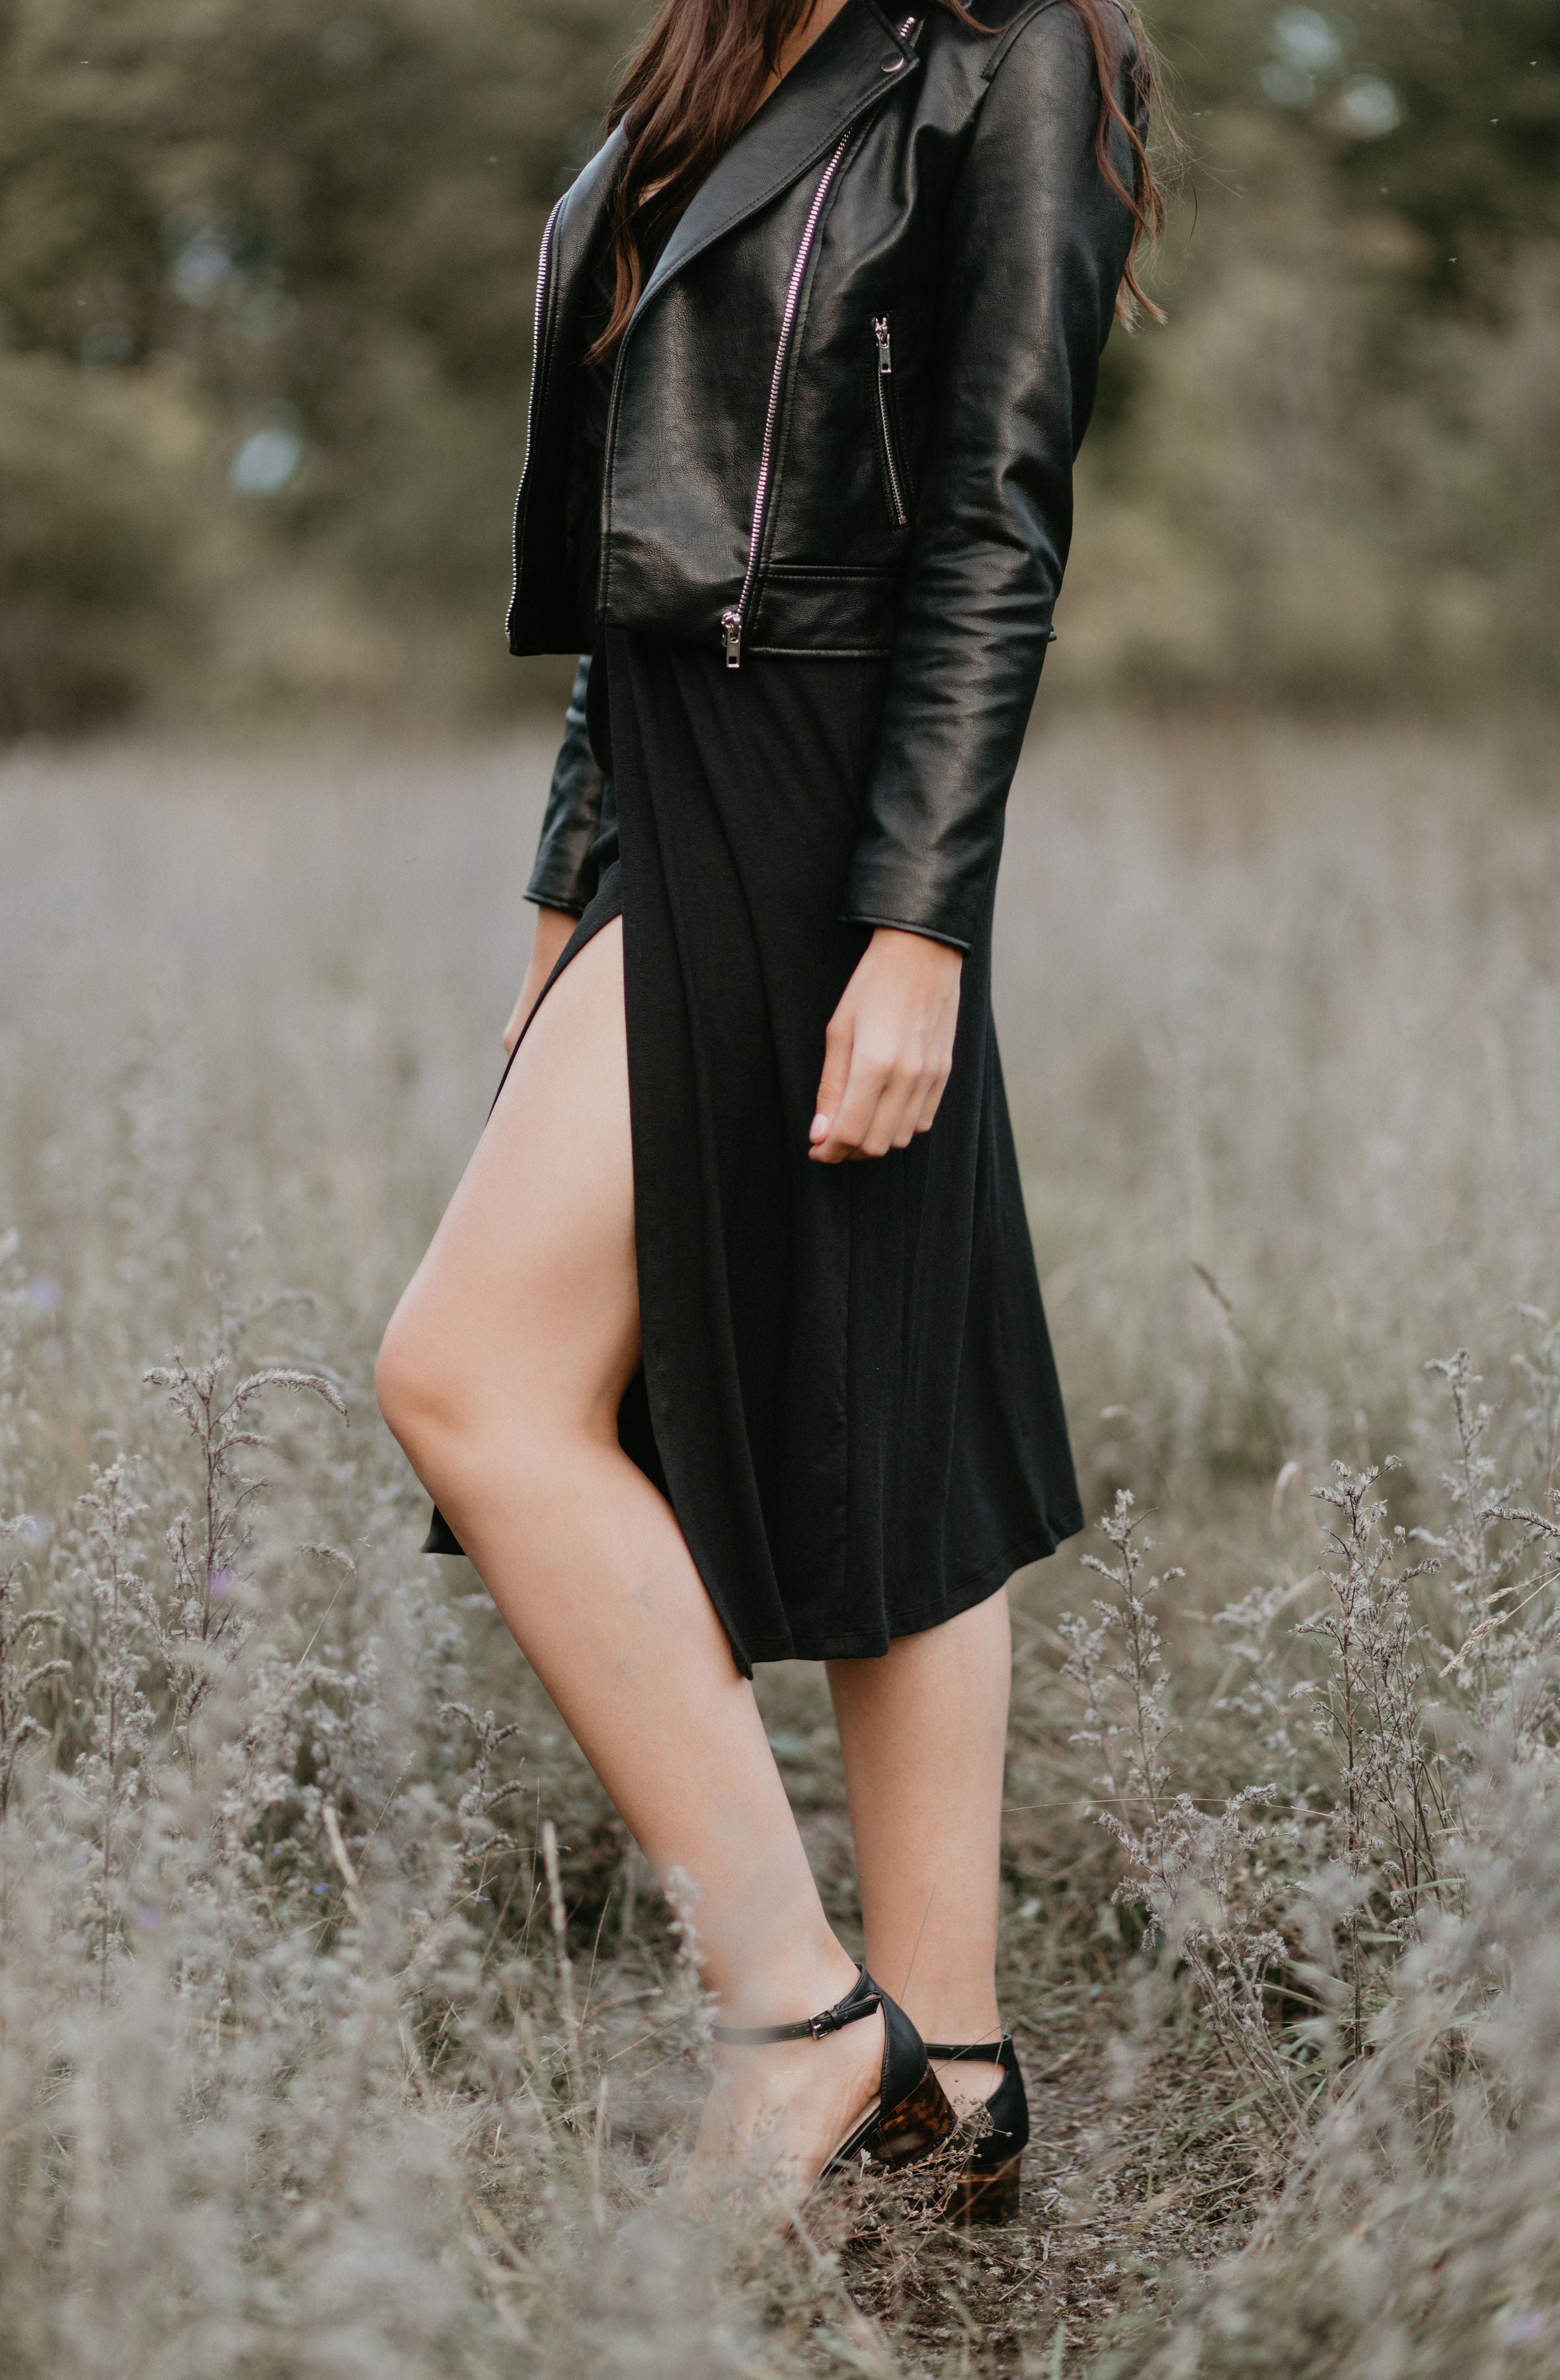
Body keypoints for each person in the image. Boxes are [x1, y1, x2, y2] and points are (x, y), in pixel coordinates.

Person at [376, 0, 1161, 2215]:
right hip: (674, 782)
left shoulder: (1018, 50)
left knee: (468, 1378)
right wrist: (565, 883)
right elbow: (640, 547)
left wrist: (916, 925)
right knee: (869, 1388)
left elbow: (997, 525)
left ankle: (803, 2021)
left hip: (832, 802)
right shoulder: (716, 54)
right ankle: (961, 2073)